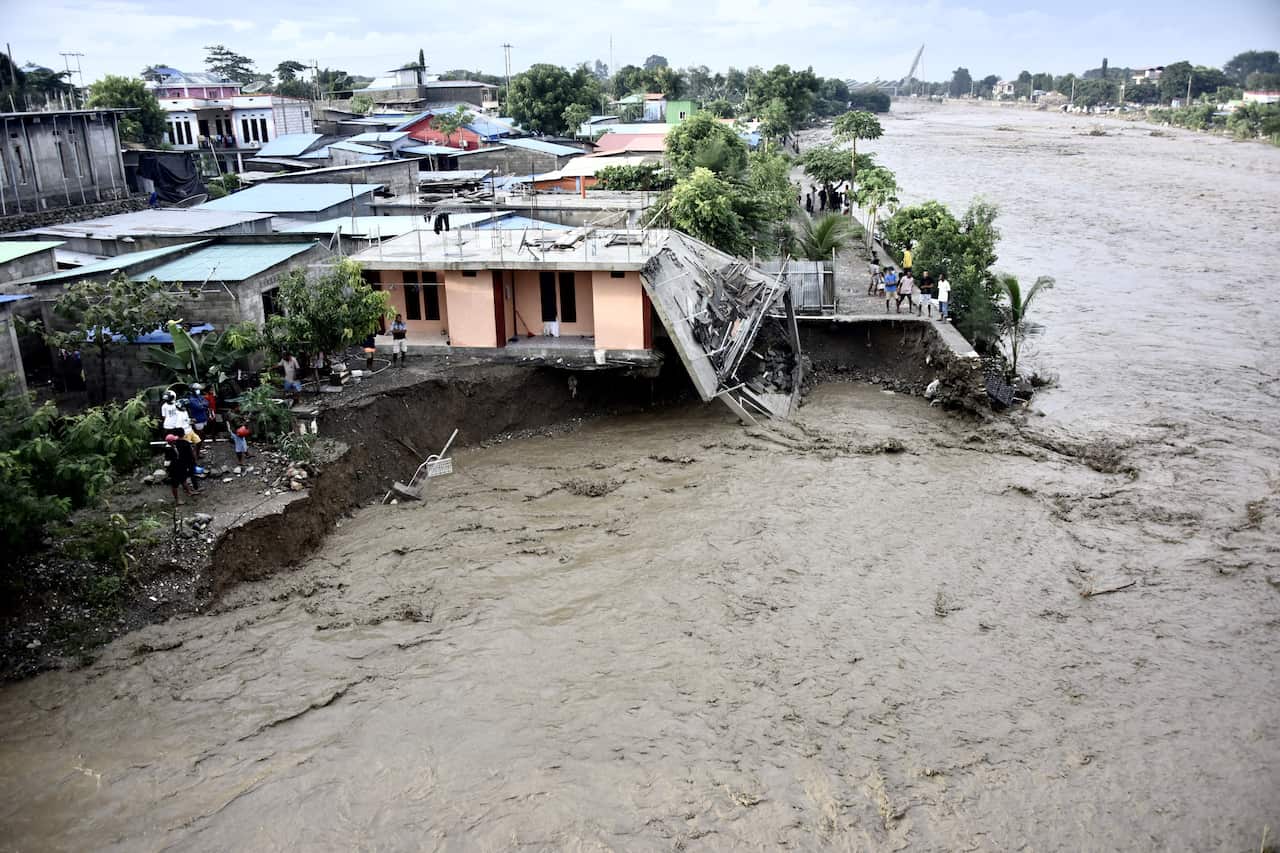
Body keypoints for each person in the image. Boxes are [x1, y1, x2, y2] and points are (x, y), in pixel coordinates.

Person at [163, 433, 199, 504]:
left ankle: (189, 492)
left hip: (179, 467)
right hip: (174, 469)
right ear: (172, 441)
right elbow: (169, 461)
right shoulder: (169, 449)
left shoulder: (174, 446)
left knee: (183, 480)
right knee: (175, 485)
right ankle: (177, 500)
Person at [186, 385, 209, 456]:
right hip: (197, 419)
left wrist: (203, 405)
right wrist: (203, 405)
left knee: (203, 435)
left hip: (203, 418)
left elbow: (206, 403)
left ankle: (200, 448)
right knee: (199, 435)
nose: (198, 391)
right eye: (197, 389)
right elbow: (198, 407)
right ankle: (196, 453)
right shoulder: (191, 399)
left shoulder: (200, 397)